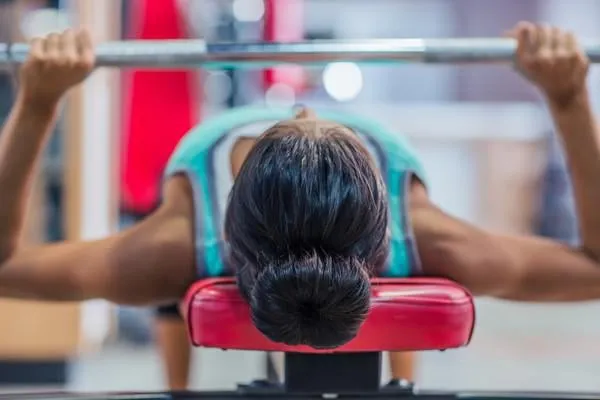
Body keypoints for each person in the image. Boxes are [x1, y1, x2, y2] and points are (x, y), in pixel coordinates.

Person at [1, 20, 599, 375]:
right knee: (167, 296)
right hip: (344, 260)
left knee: (163, 283)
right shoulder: (430, 238)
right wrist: (568, 100)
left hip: (198, 256)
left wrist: (38, 103)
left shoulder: (173, 248)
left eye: (292, 121)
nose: (305, 108)